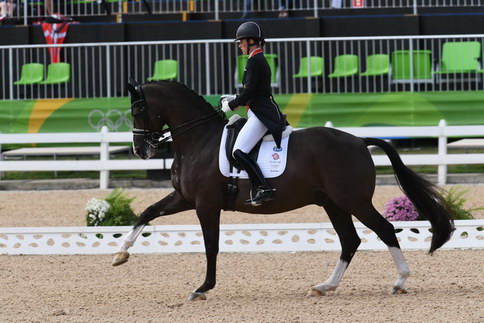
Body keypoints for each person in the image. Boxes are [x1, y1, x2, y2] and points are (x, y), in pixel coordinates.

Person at [220, 21, 287, 207]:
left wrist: (231, 105)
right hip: (256, 110)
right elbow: (253, 91)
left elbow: (250, 94)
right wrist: (235, 97)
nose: (239, 45)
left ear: (251, 41)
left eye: (241, 42)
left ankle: (262, 187)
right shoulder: (256, 59)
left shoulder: (255, 61)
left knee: (238, 151)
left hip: (260, 114)